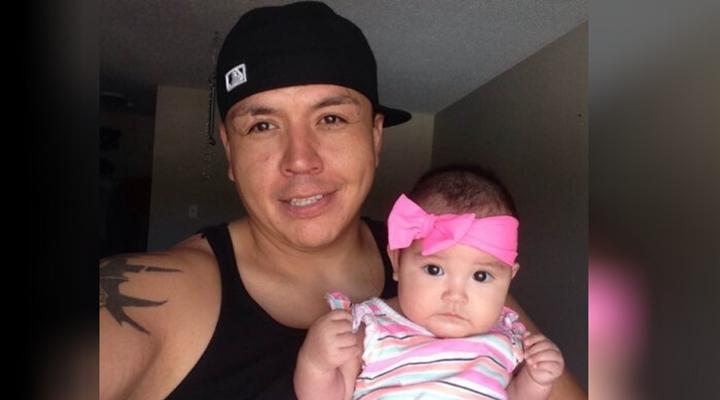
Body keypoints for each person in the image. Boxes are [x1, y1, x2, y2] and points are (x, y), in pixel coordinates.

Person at [99, 2, 586, 400]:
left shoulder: (448, 261)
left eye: (331, 119)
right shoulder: (154, 299)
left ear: (375, 138)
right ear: (230, 149)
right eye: (262, 125)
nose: (300, 160)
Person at [295, 167, 565, 400]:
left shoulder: (507, 340)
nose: (455, 295)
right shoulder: (371, 327)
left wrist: (536, 380)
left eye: (481, 276)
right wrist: (316, 362)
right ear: (397, 262)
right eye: (434, 269)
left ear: (509, 279)